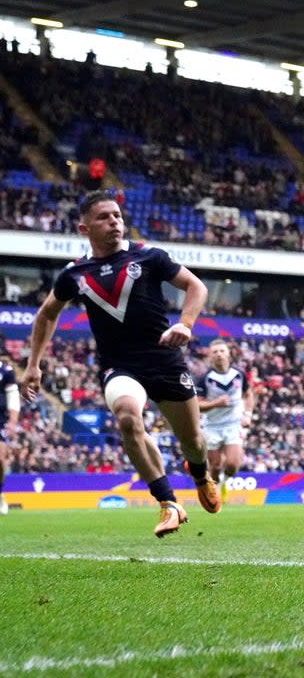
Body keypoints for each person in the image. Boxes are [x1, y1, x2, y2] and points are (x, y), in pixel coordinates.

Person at [19, 191, 220, 536]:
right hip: (120, 366)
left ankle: (200, 473)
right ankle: (168, 503)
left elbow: (195, 286)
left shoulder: (149, 256)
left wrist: (185, 324)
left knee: (193, 442)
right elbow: (46, 315)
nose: (114, 221)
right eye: (104, 217)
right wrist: (33, 364)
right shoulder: (75, 274)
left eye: (117, 215)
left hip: (165, 360)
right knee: (128, 417)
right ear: (84, 228)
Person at [196, 339, 255, 503]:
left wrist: (247, 414)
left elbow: (249, 394)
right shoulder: (204, 379)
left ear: (229, 354)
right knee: (215, 465)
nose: (219, 354)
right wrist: (216, 403)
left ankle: (224, 482)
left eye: (222, 351)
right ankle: (214, 489)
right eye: (215, 352)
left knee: (232, 464)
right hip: (211, 426)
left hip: (232, 424)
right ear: (210, 356)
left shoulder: (239, 374)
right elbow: (197, 405)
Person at [1, 357, 19, 515]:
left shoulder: (5, 371)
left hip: (0, 421)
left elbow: (13, 398)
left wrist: (12, 422)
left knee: (0, 459)